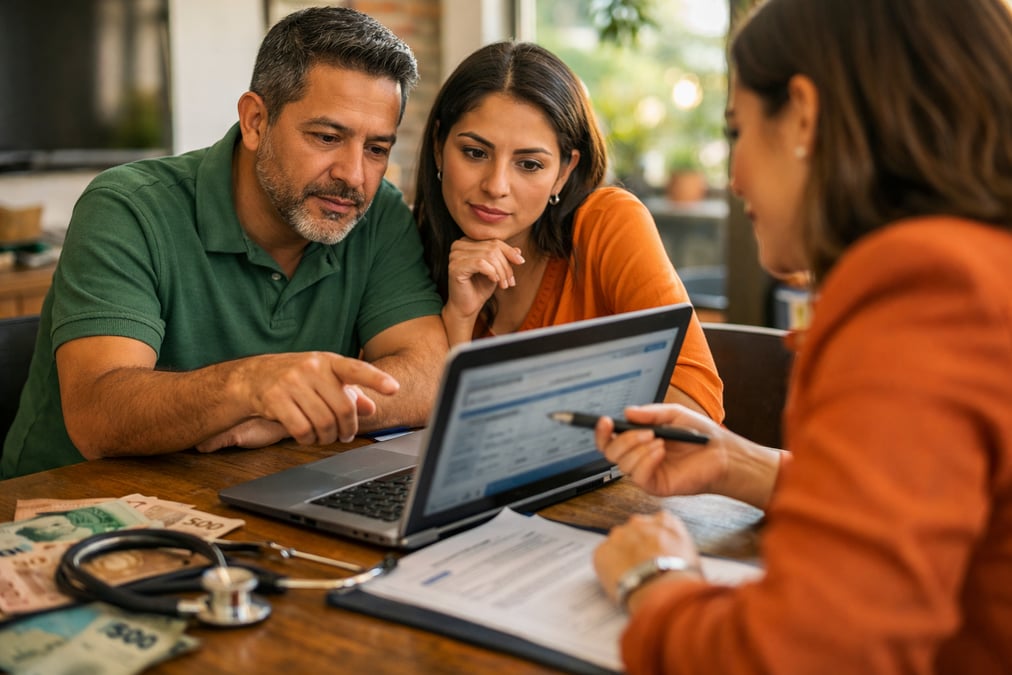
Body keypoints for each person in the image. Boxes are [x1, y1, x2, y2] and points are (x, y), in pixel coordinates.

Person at [590, 0, 1012, 673]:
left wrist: (656, 581)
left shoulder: (923, 291)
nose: (734, 178)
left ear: (805, 117)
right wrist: (740, 463)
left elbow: (807, 657)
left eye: (737, 132)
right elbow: (938, 507)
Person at [1, 7, 448, 479]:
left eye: (377, 148)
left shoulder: (377, 213)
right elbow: (98, 416)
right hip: (67, 513)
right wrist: (248, 385)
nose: (354, 176)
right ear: (255, 121)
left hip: (250, 493)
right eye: (326, 136)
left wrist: (285, 414)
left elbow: (430, 377)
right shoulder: (127, 206)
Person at [413, 41, 724, 420]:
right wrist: (459, 319)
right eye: (475, 153)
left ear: (564, 171)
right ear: (438, 145)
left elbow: (697, 408)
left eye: (529, 164)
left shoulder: (608, 223)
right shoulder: (410, 241)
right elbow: (422, 428)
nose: (496, 185)